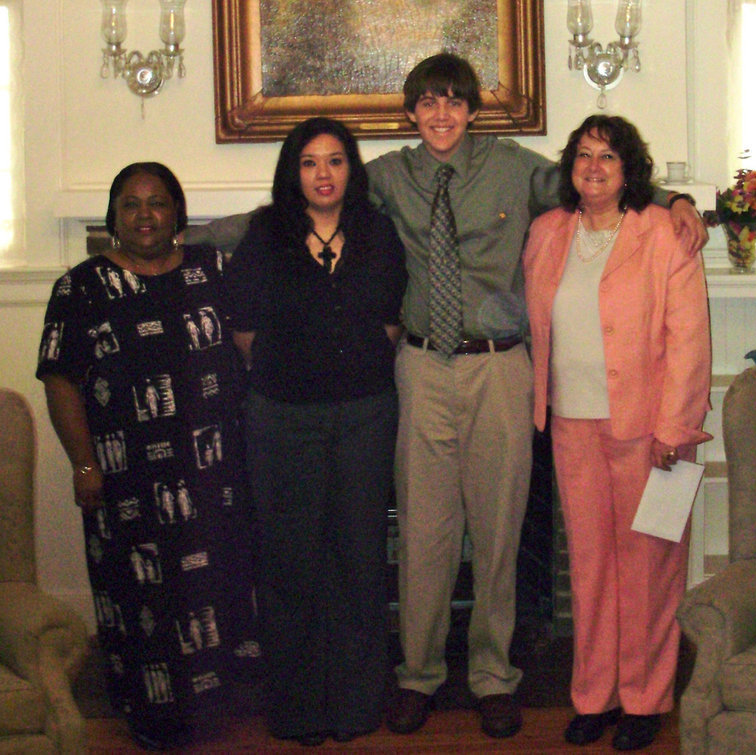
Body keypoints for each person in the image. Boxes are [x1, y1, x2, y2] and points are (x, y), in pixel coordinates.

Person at [184, 52, 708, 740]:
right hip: (421, 367)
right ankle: (418, 675)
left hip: (501, 370)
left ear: (471, 109)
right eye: (428, 103)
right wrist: (185, 235)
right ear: (411, 112)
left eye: (454, 103)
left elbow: (597, 184)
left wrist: (675, 200)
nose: (441, 115)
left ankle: (494, 677)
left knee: (497, 532)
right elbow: (301, 202)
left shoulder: (518, 169)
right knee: (427, 534)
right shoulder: (387, 177)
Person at [36, 162, 263, 750]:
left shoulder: (214, 270)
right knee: (141, 597)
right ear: (113, 217)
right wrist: (84, 464)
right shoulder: (79, 288)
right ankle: (151, 714)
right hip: (124, 477)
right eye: (130, 204)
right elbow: (60, 380)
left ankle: (217, 708)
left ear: (178, 215)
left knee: (216, 586)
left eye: (157, 203)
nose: (144, 216)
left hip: (213, 473)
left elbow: (251, 349)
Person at [522, 115, 711, 751]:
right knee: (590, 569)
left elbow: (689, 340)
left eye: (607, 156)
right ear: (569, 167)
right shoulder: (547, 234)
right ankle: (594, 696)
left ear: (629, 168)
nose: (593, 167)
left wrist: (677, 427)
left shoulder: (663, 233)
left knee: (650, 567)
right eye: (582, 156)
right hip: (571, 425)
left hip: (648, 431)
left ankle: (645, 700)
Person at [224, 117, 407, 746]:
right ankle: (299, 711)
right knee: (289, 566)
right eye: (309, 162)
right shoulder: (262, 236)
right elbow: (244, 330)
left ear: (351, 169)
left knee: (358, 564)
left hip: (364, 417)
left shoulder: (378, 233)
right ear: (291, 171)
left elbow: (389, 322)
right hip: (281, 420)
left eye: (335, 161)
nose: (323, 174)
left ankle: (356, 708)